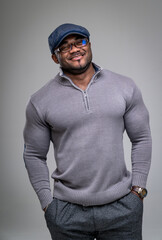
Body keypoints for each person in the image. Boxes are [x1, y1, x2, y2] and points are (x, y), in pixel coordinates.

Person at [23, 23, 152, 240]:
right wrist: (48, 205)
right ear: (55, 58)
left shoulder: (124, 86)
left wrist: (138, 191)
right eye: (64, 47)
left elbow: (141, 138)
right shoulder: (40, 101)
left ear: (89, 44)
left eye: (79, 42)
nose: (74, 49)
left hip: (123, 208)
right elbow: (34, 155)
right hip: (67, 212)